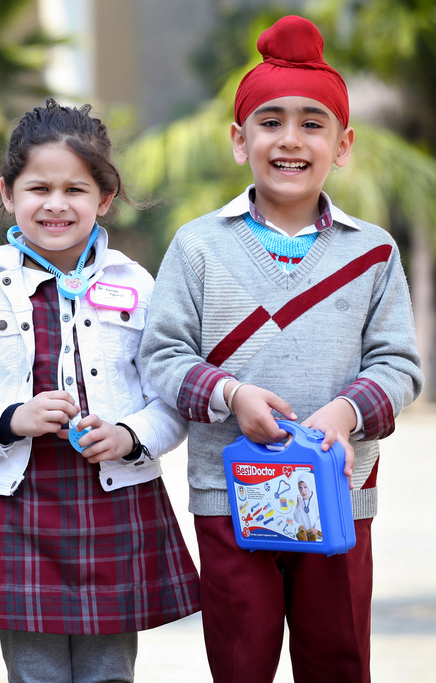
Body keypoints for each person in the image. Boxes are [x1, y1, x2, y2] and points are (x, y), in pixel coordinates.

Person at [140, 15, 423, 683]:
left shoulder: (373, 251)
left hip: (339, 493)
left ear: (343, 143)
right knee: (241, 659)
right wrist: (232, 394)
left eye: (312, 122)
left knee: (338, 656)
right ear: (239, 141)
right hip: (232, 495)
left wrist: (344, 413)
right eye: (269, 121)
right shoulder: (198, 245)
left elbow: (400, 364)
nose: (290, 139)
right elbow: (163, 355)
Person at [0, 99, 200, 683]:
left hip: (115, 504)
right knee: (35, 675)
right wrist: (11, 420)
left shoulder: (137, 284)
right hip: (16, 507)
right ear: (8, 193)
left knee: (109, 673)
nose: (56, 204)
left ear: (104, 199)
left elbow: (170, 398)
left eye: (76, 189)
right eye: (38, 188)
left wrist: (130, 436)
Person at [293, 475, 321, 540]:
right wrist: (298, 505)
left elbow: (320, 517)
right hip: (305, 535)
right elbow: (297, 520)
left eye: (305, 487)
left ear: (310, 487)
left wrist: (316, 528)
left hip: (315, 533)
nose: (303, 490)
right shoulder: (300, 504)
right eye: (300, 488)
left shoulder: (315, 502)